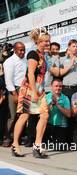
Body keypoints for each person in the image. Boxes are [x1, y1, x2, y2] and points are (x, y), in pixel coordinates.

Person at [11, 28, 50, 158]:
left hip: (39, 90)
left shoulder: (44, 56)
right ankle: (15, 144)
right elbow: (30, 74)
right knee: (24, 116)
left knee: (44, 115)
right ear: (38, 41)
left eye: (48, 41)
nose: (48, 43)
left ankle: (37, 146)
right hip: (29, 89)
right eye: (45, 41)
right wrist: (33, 92)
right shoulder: (33, 54)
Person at [3, 42, 27, 147]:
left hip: (25, 90)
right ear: (15, 50)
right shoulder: (9, 61)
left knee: (22, 116)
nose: (22, 52)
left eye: (23, 50)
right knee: (12, 116)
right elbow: (8, 81)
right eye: (20, 50)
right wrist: (15, 94)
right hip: (14, 90)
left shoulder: (26, 60)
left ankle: (17, 137)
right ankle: (7, 137)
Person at [44, 78, 71, 150]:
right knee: (44, 145)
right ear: (51, 86)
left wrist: (58, 105)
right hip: (49, 125)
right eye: (56, 86)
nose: (58, 88)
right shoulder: (46, 97)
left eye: (60, 86)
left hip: (61, 126)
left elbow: (68, 114)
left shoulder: (65, 98)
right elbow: (43, 113)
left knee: (59, 148)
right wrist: (51, 104)